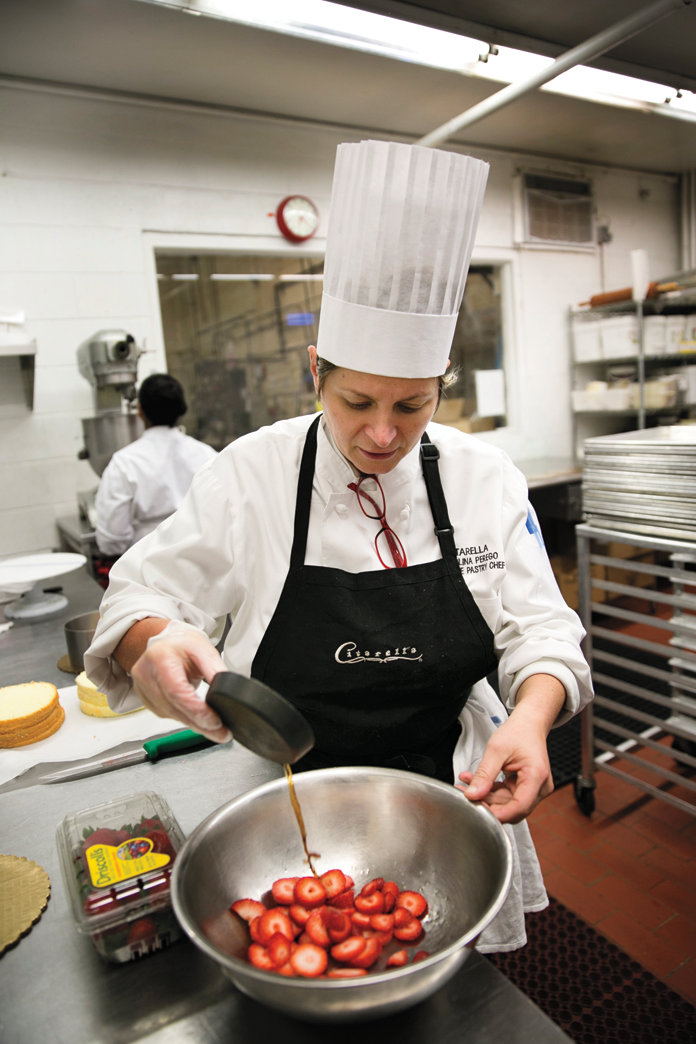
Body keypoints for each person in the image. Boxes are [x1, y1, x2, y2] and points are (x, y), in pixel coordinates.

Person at [86, 140, 592, 952]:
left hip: (451, 787)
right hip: (282, 797)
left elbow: (542, 631)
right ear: (315, 368)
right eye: (357, 401)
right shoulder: (253, 471)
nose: (384, 434)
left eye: (413, 406)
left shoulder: (480, 476)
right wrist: (155, 640)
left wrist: (533, 720)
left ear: (442, 385)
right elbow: (141, 596)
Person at [94, 373, 217, 556]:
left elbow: (111, 539)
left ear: (140, 411)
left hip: (148, 569)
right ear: (181, 409)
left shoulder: (124, 462)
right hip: (204, 561)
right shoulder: (207, 454)